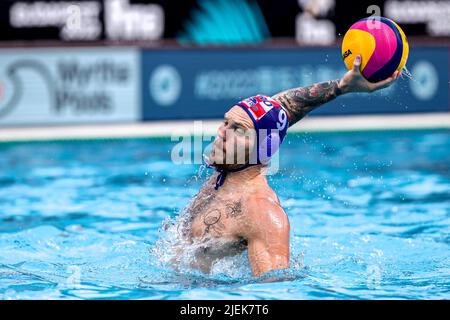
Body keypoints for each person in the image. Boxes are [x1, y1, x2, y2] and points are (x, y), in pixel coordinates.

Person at [174, 55, 400, 277]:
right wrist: (341, 86)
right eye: (225, 123)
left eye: (238, 130)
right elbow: (282, 109)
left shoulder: (261, 213)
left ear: (262, 149)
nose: (222, 133)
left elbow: (275, 289)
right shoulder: (227, 172)